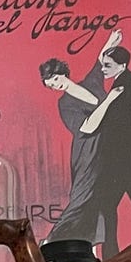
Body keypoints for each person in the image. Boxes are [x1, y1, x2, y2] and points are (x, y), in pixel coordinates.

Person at [85, 41, 131, 254]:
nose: (103, 69)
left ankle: (115, 254)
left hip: (126, 156)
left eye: (107, 65)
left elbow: (122, 123)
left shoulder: (126, 85)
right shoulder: (128, 82)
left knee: (120, 204)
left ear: (122, 65)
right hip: (127, 155)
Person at [38, 55, 106, 245]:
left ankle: (90, 245)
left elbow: (100, 61)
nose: (56, 86)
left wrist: (112, 40)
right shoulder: (65, 104)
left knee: (99, 198)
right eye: (51, 85)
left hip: (102, 150)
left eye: (56, 79)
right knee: (80, 198)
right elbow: (86, 128)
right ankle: (50, 241)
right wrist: (109, 103)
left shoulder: (91, 82)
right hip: (85, 153)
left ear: (62, 72)